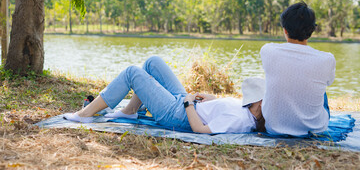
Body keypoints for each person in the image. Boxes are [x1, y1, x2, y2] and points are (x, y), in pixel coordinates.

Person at [64, 56, 266, 134]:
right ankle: (130, 111)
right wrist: (209, 97)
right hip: (186, 104)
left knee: (132, 73)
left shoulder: (240, 120)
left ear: (259, 104)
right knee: (153, 63)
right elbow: (225, 106)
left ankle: (85, 114)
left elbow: (201, 129)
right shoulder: (245, 110)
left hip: (178, 114)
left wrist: (188, 104)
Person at [260, 1, 336, 136]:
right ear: (312, 30)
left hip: (274, 127)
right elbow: (329, 82)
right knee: (321, 86)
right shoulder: (327, 59)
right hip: (315, 129)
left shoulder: (267, 50)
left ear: (285, 30)